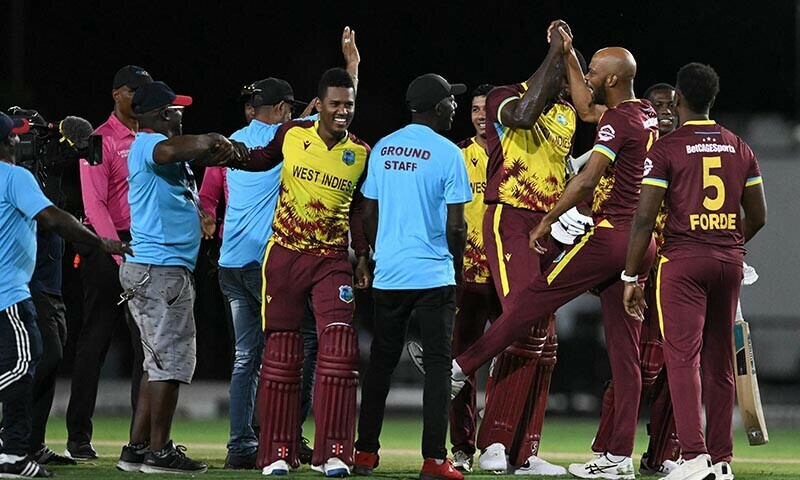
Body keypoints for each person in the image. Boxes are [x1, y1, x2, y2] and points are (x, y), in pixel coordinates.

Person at [444, 27, 659, 478]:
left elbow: (584, 179)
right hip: (640, 244)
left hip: (605, 237)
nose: (587, 75)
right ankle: (618, 457)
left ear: (613, 80)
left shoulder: (616, 119)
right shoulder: (645, 116)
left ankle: (460, 370)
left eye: (595, 69)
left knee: (534, 305)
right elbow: (558, 109)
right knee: (623, 352)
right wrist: (562, 54)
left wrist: (549, 219)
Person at [435, 22, 578, 476]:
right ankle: (482, 441)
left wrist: (571, 57)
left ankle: (524, 451)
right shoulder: (504, 98)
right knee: (523, 328)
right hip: (498, 236)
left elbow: (591, 109)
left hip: (545, 228)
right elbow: (523, 114)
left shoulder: (569, 115)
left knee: (543, 342)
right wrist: (555, 52)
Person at [217, 27, 361, 470]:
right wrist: (223, 153)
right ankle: (274, 451)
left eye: (348, 105)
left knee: (337, 351)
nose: (342, 111)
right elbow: (258, 160)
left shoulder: (361, 151)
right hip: (280, 258)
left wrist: (364, 257)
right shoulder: (292, 135)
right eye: (333, 104)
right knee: (279, 354)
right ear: (315, 107)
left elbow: (362, 212)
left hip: (328, 261)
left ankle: (331, 451)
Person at [623, 62, 767, 480]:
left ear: (680, 100)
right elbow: (758, 215)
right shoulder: (740, 146)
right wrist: (728, 242)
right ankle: (721, 462)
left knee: (682, 359)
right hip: (728, 263)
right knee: (720, 364)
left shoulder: (666, 149)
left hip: (682, 262)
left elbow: (644, 219)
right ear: (713, 100)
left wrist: (632, 278)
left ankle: (693, 456)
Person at [353, 73, 472, 480]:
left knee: (381, 365)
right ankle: (435, 460)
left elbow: (368, 210)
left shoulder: (384, 148)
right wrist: (454, 268)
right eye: (451, 101)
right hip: (433, 273)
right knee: (439, 367)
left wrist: (370, 255)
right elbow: (457, 227)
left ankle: (365, 452)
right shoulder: (448, 153)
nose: (455, 106)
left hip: (389, 274)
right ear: (437, 107)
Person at [0, 112, 132, 479]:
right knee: (29, 362)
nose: (22, 142)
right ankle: (13, 449)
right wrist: (101, 243)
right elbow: (54, 217)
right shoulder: (16, 177)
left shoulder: (28, 175)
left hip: (34, 281)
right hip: (15, 288)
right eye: (18, 136)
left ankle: (25, 445)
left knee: (39, 357)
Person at [114, 81, 236, 474]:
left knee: (156, 364)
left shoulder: (158, 153)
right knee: (171, 363)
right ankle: (159, 451)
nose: (182, 114)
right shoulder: (150, 143)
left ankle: (136, 449)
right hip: (160, 270)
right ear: (164, 114)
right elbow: (177, 148)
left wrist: (196, 214)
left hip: (159, 268)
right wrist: (214, 140)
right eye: (177, 109)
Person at [590, 82, 682, 477]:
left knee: (674, 367)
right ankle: (609, 449)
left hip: (673, 275)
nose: (665, 111)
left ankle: (663, 454)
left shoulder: (686, 156)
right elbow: (602, 200)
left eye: (672, 105)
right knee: (636, 366)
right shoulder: (634, 157)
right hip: (636, 272)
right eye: (658, 105)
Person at [67, 65, 150, 460]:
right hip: (106, 251)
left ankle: (141, 440)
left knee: (145, 346)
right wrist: (115, 250)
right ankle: (78, 437)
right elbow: (93, 203)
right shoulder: (99, 140)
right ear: (117, 94)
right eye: (136, 91)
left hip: (143, 247)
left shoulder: (151, 137)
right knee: (95, 341)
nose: (142, 97)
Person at [449, 83, 500, 472]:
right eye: (475, 109)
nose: (482, 116)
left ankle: (502, 444)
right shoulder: (457, 156)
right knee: (462, 365)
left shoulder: (517, 151)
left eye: (488, 109)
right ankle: (463, 448)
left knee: (512, 362)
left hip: (507, 275)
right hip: (468, 277)